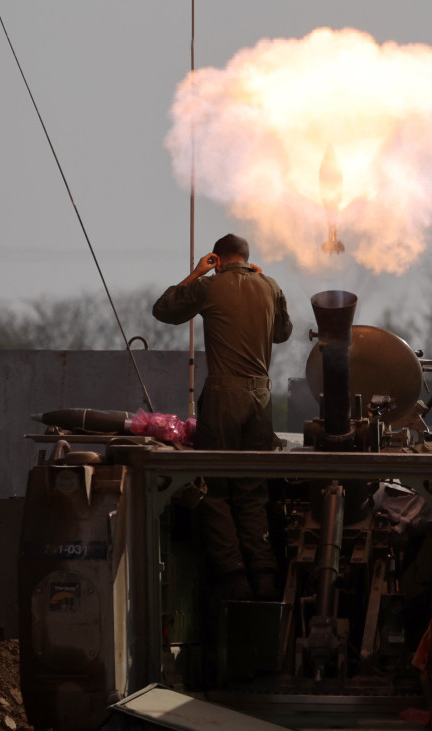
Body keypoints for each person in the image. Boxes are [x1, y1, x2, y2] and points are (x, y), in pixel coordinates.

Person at [153, 233, 293, 600]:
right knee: (252, 491)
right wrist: (261, 282)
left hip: (224, 397)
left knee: (214, 490)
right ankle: (264, 577)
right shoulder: (271, 285)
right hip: (260, 400)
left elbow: (164, 310)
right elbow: (283, 333)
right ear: (248, 258)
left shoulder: (209, 288)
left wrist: (196, 274)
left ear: (218, 257)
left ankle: (234, 580)